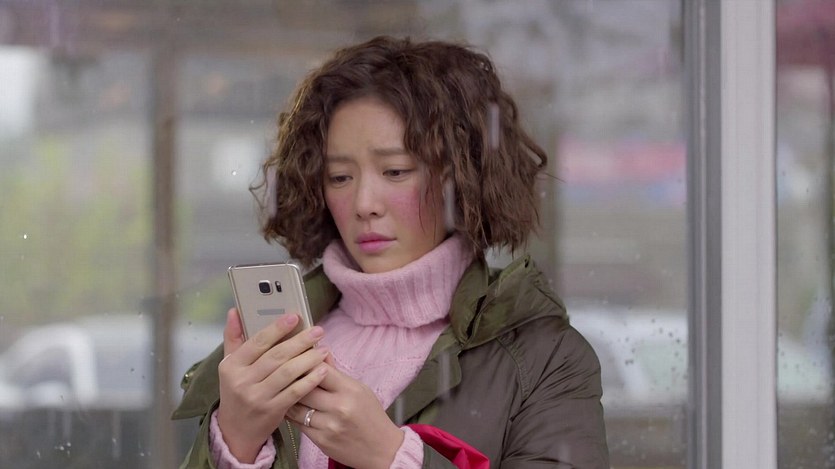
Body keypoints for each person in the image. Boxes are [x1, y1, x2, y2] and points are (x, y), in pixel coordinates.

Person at [173, 35, 609, 468]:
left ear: (462, 176)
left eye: (396, 171)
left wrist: (390, 457)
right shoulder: (277, 348)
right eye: (340, 177)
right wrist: (235, 443)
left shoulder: (544, 358)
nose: (364, 204)